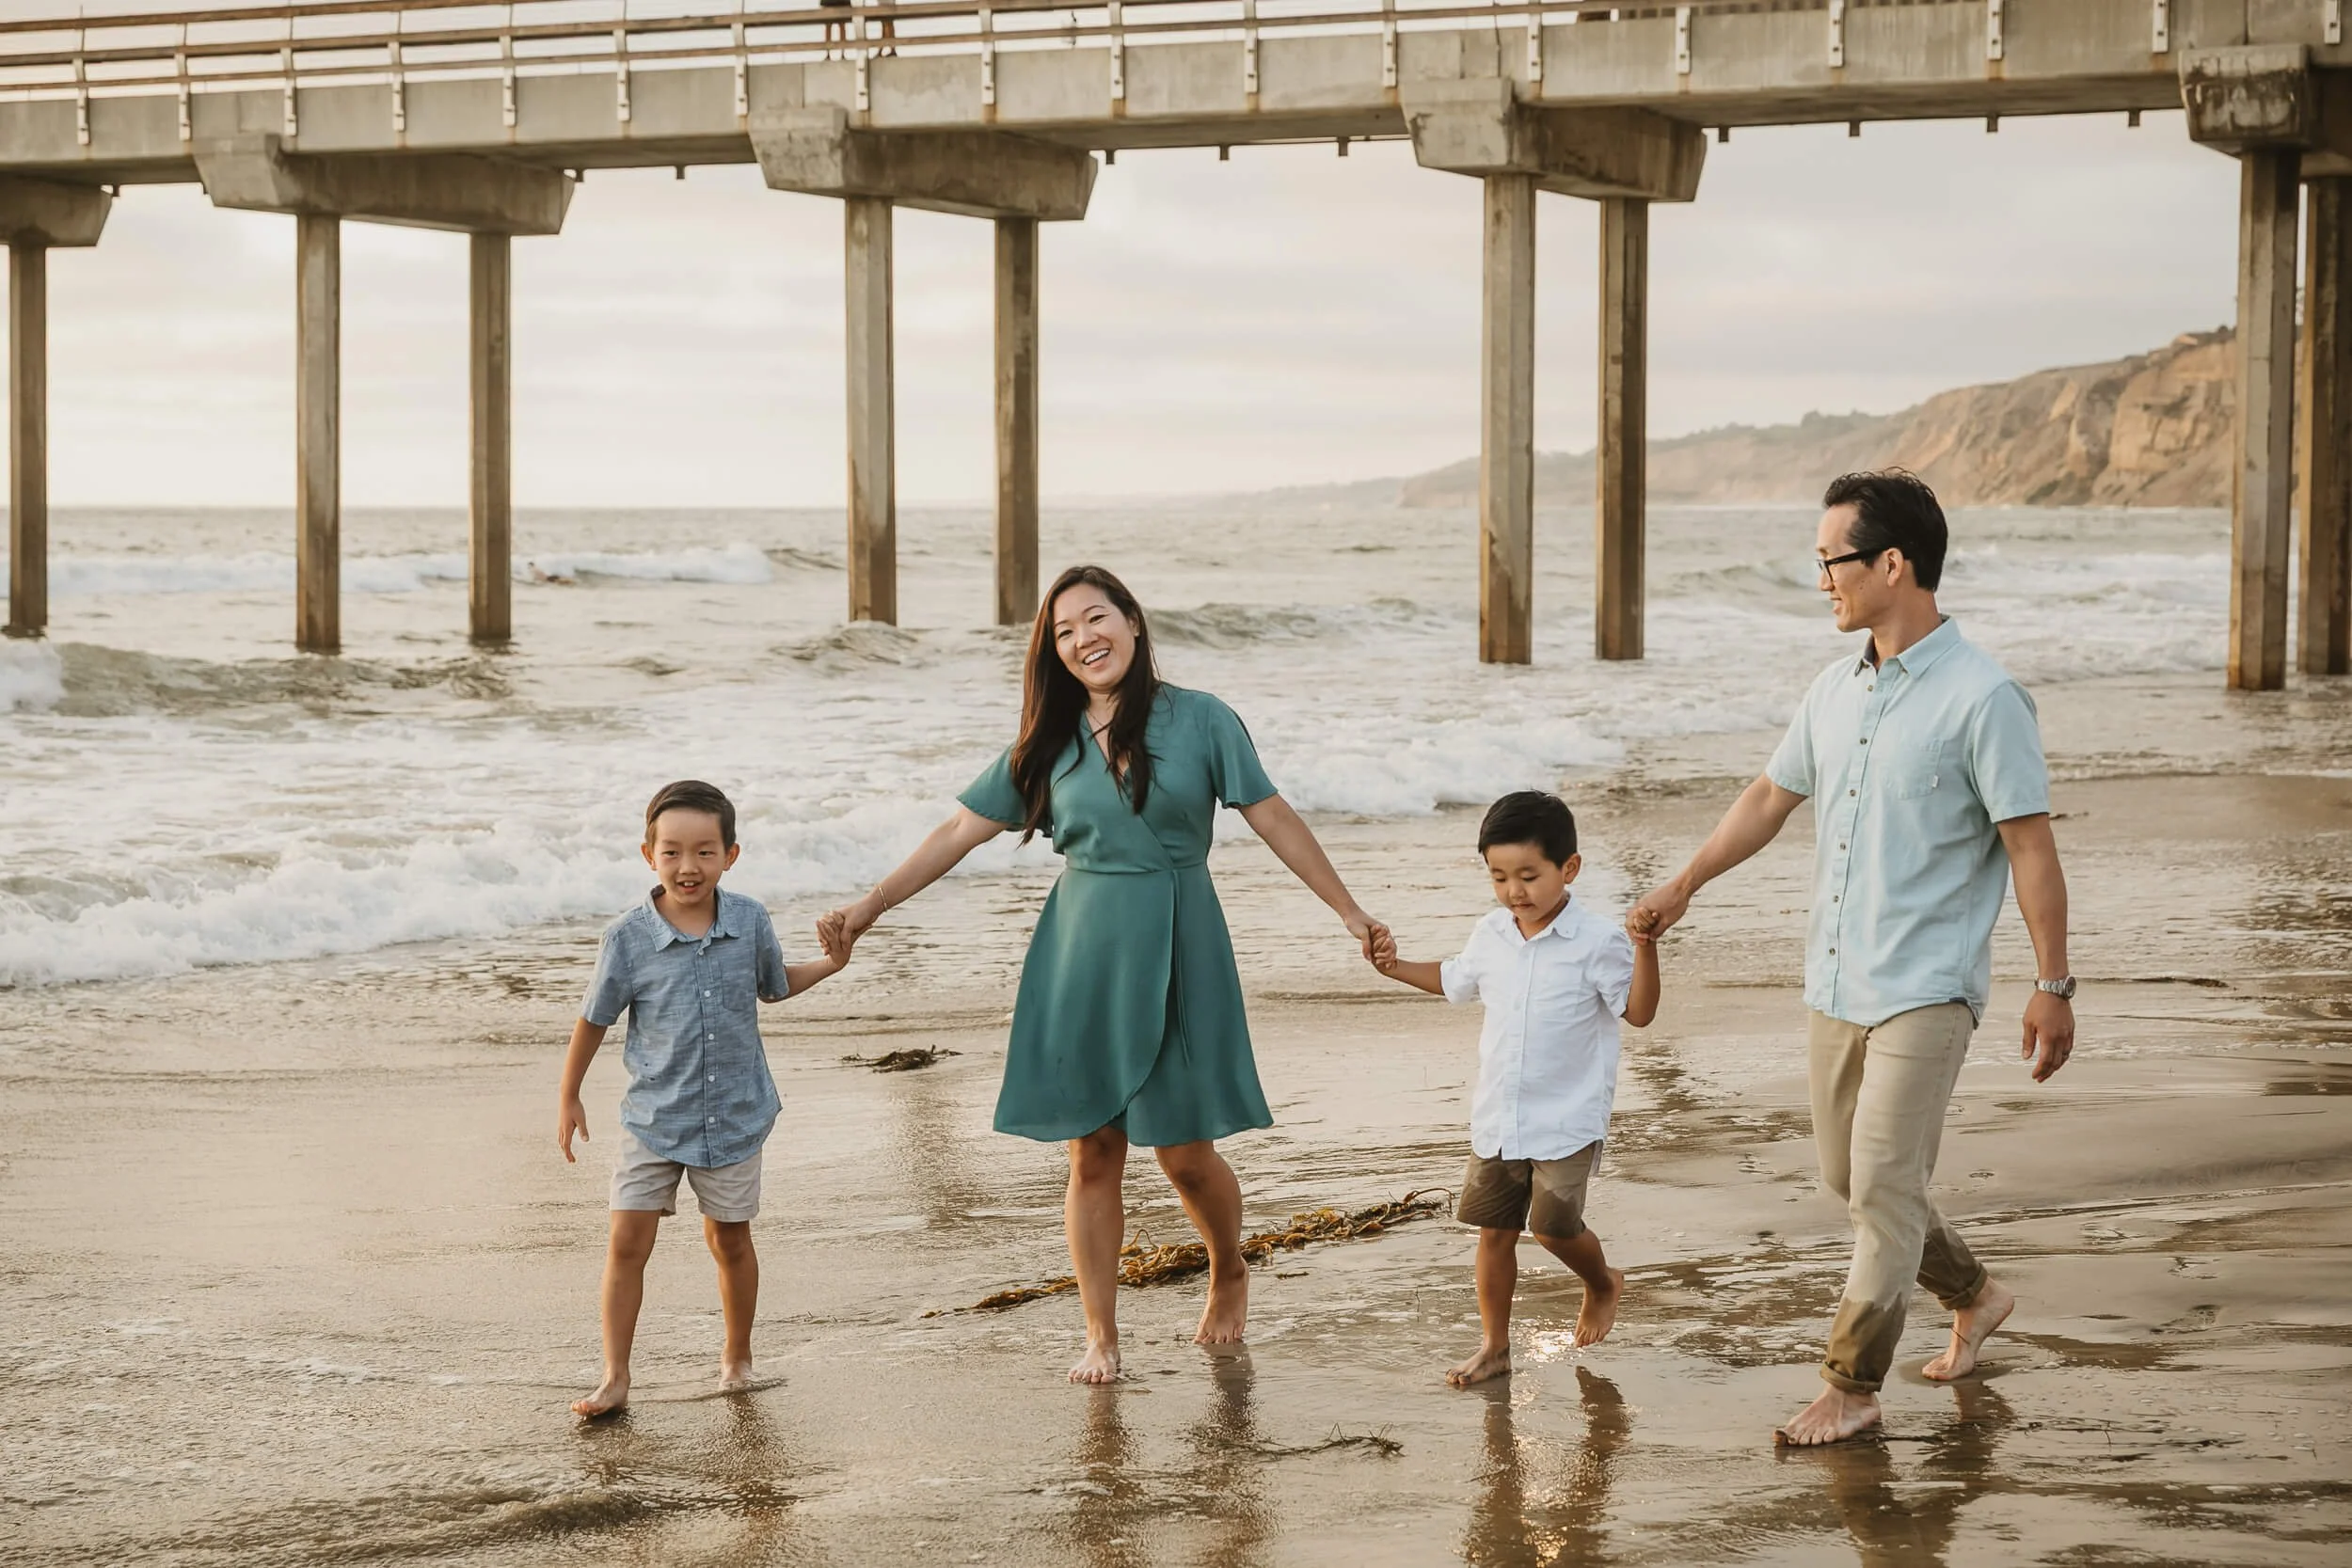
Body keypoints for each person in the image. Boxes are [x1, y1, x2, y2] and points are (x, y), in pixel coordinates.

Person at [821, 564, 1391, 1384]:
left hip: (1182, 937)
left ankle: (1228, 1263)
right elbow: (955, 832)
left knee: (1185, 1155)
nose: (1084, 639)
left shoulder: (1202, 718)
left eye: (1096, 618)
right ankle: (1101, 1333)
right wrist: (868, 907)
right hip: (1082, 949)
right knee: (1091, 1149)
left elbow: (1272, 815)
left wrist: (1348, 909)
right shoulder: (1047, 741)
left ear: (1132, 621)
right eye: (1064, 631)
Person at [1629, 469, 2076, 1447]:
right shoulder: (1834, 690)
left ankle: (1852, 1382)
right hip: (1836, 977)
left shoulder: (1985, 698)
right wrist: (1684, 882)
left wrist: (2052, 984)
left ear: (1892, 563)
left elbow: (2030, 847)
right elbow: (1767, 797)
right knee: (1854, 1179)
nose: (1822, 580)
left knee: (1879, 1185)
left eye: (1832, 560)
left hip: (1928, 985)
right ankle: (1976, 1292)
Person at [557, 780, 849, 1419]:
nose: (687, 866)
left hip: (735, 1116)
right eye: (672, 852)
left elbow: (775, 986)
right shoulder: (627, 937)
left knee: (730, 1241)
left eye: (705, 852)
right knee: (625, 1244)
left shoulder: (749, 920)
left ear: (730, 855)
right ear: (649, 855)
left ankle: (737, 1357)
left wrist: (831, 963)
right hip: (654, 1116)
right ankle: (614, 1376)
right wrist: (569, 1093)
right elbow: (594, 1018)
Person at [1370, 791, 1659, 1386]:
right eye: (1499, 877)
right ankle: (1494, 1347)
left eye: (1528, 876)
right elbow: (1453, 980)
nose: (1513, 891)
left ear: (1568, 868)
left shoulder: (1598, 940)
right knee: (1494, 1233)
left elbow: (1639, 1012)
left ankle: (1602, 1282)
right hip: (1499, 1117)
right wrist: (1394, 967)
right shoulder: (1491, 933)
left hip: (1567, 1118)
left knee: (1553, 1228)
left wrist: (1646, 947)